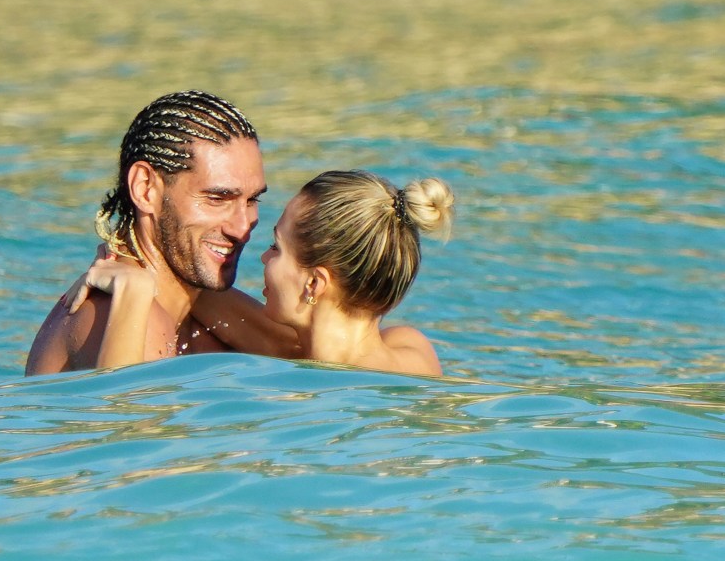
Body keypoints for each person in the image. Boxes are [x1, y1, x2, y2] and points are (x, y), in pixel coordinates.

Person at [75, 169, 455, 376]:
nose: (263, 258)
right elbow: (207, 296)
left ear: (314, 283)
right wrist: (140, 253)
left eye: (276, 247)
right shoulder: (413, 351)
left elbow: (118, 424)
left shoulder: (310, 393)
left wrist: (134, 291)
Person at [24, 90, 295, 375]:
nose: (242, 228)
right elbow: (126, 417)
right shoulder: (129, 316)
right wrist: (133, 291)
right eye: (216, 199)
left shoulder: (197, 303)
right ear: (145, 188)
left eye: (252, 200)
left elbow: (306, 352)